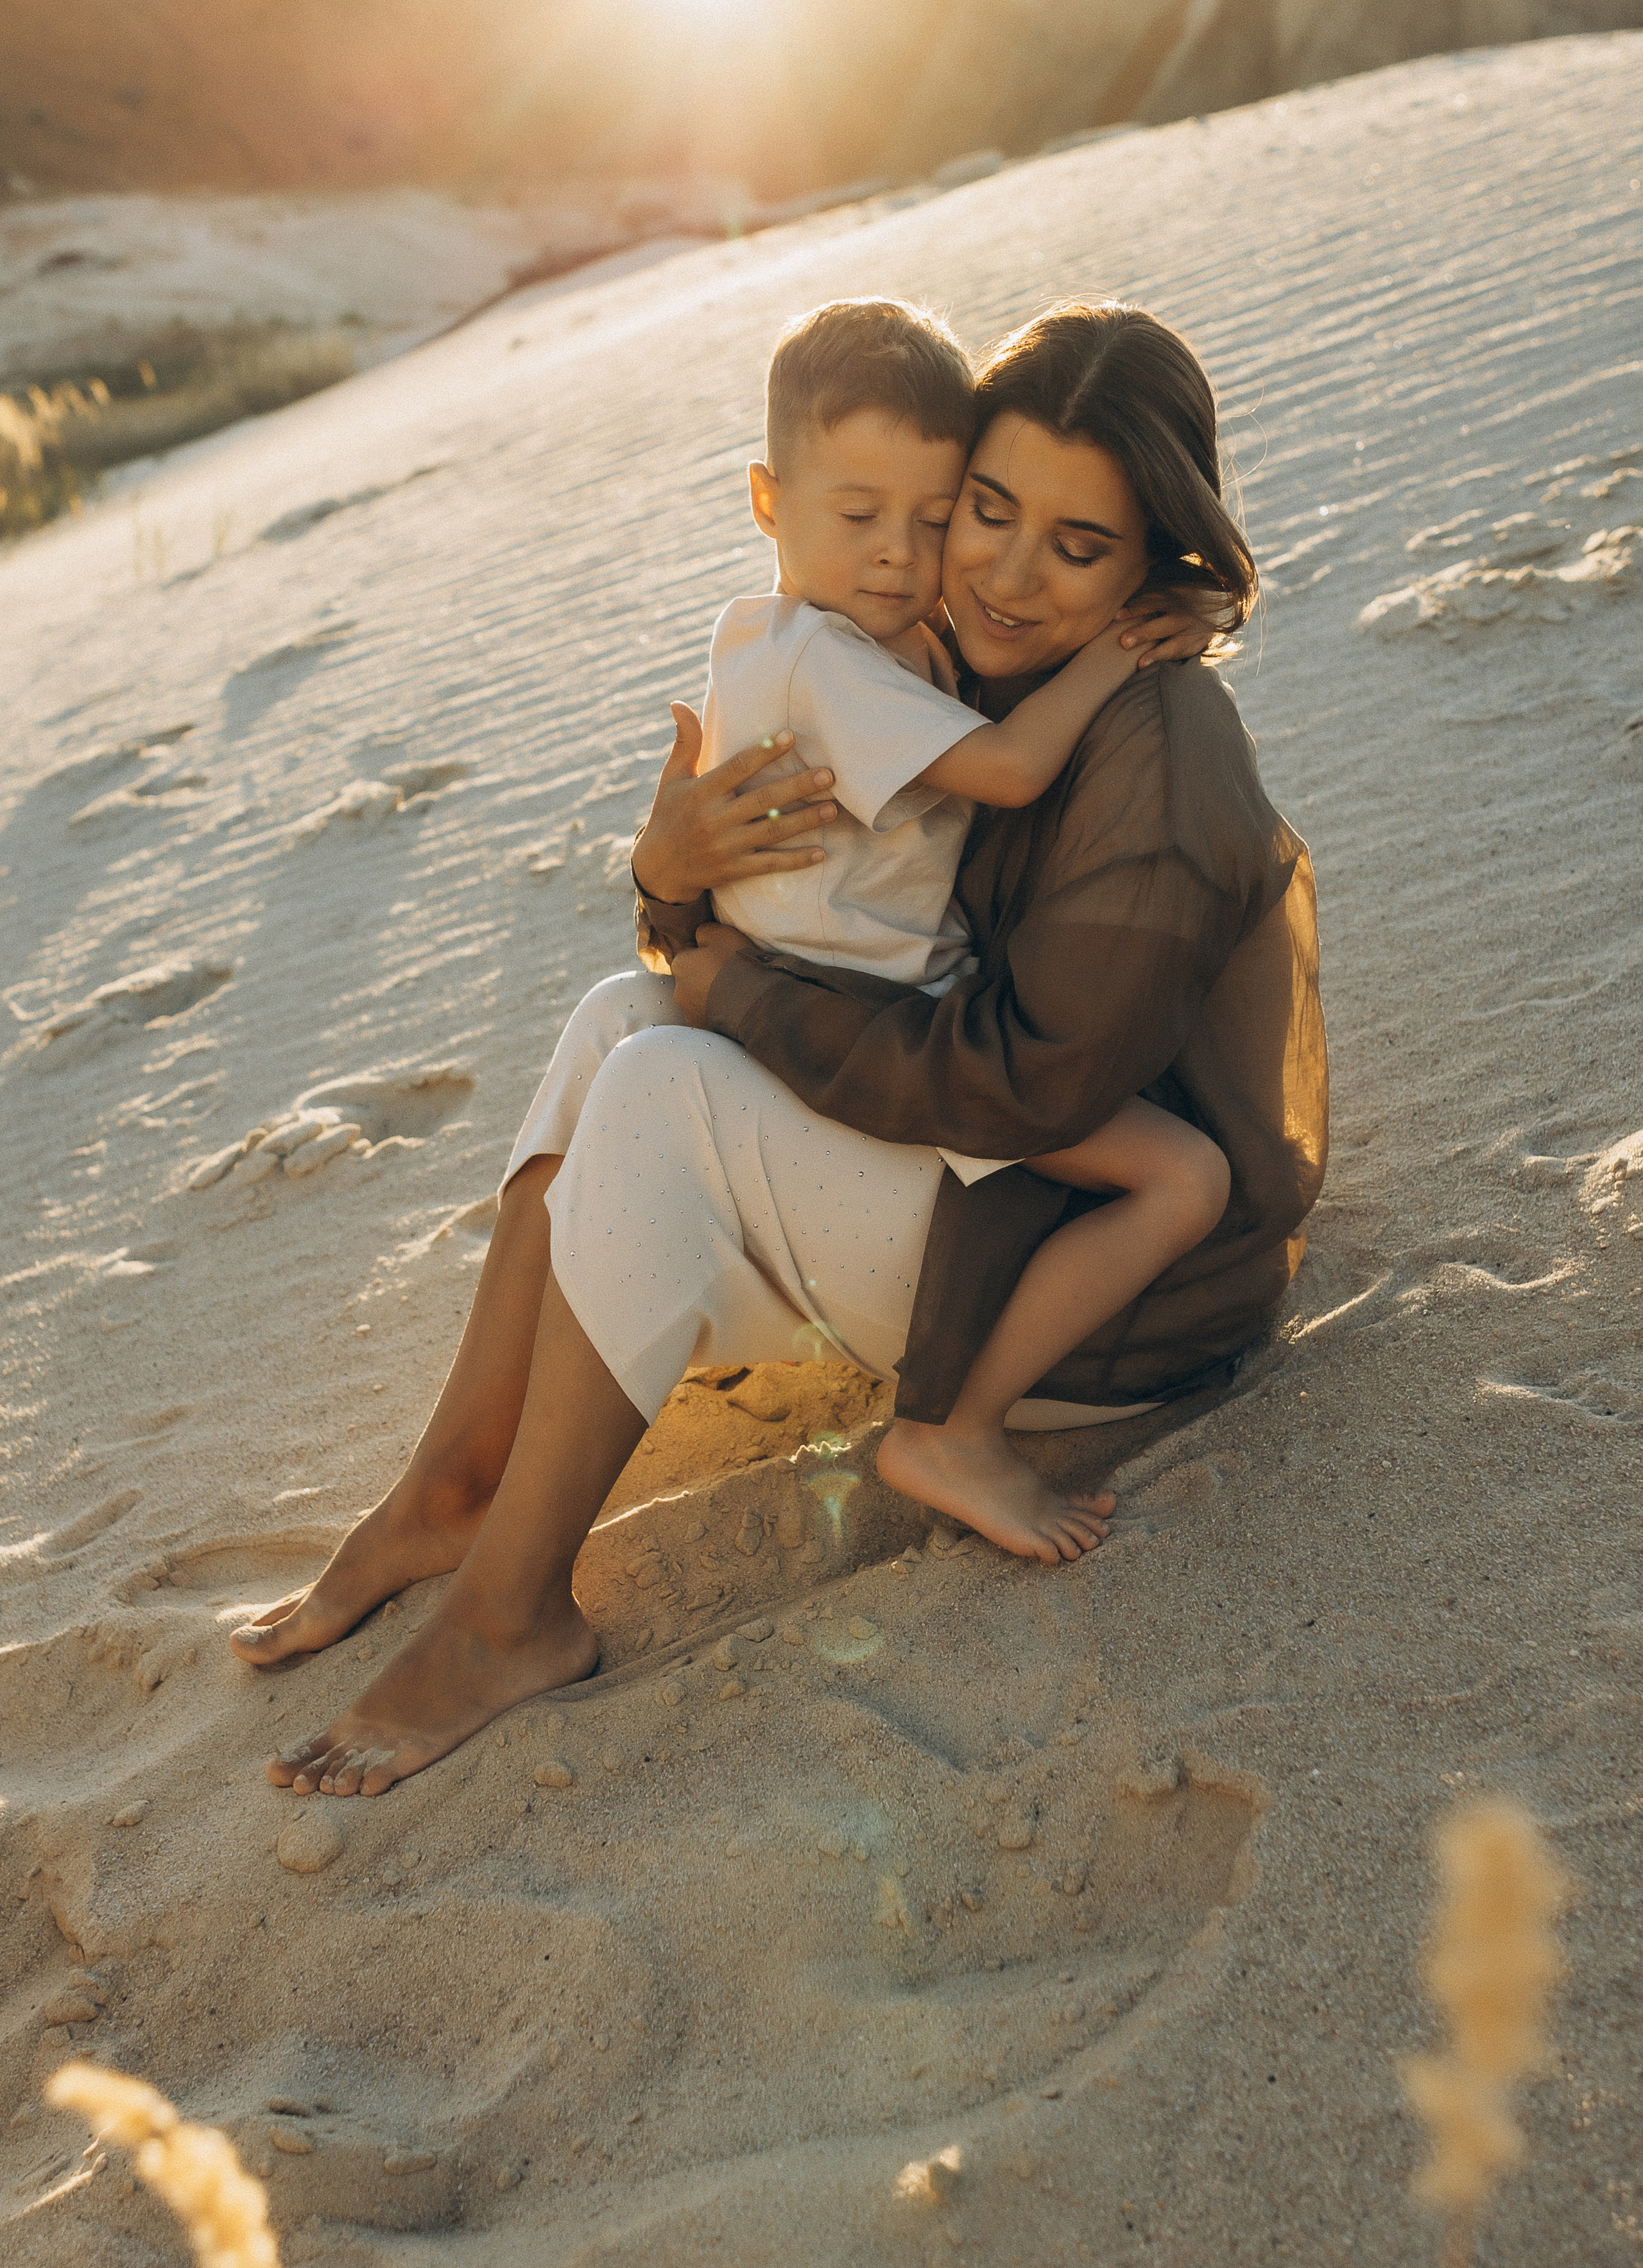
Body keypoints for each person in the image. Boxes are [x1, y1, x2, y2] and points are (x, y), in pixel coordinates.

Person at [236, 299, 1325, 1802]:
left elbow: (1028, 1087)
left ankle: (509, 1618)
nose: (1002, 571)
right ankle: (455, 1486)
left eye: (1075, 547)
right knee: (616, 1022)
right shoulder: (948, 655)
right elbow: (794, 908)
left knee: (663, 1083)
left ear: (1153, 562)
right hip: (982, 1195)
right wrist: (667, 876)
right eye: (983, 512)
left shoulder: (1155, 749)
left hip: (1100, 1303)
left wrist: (730, 992)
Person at [700, 296, 1231, 1532]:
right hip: (867, 1011)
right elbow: (1008, 771)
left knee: (1118, 1176)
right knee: (1182, 1178)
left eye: (933, 519)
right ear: (768, 501)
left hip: (881, 1004)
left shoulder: (854, 637)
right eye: (984, 515)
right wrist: (1122, 644)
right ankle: (952, 1431)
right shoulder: (855, 653)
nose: (914, 558)